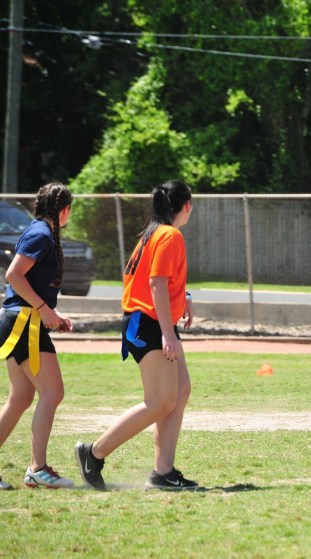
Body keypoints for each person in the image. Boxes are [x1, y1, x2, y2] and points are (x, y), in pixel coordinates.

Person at [75, 179, 198, 490]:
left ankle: (163, 473)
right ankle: (95, 452)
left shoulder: (154, 233)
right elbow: (156, 283)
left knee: (180, 391)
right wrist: (168, 333)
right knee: (160, 400)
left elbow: (157, 280)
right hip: (150, 323)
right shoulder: (170, 235)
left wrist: (184, 299)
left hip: (151, 320)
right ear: (186, 206)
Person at [0, 183, 76, 489]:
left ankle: (37, 467)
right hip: (23, 324)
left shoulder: (41, 232)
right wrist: (44, 308)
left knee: (20, 398)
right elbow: (13, 275)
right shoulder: (41, 234)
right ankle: (37, 467)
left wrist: (53, 315)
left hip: (23, 322)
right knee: (52, 392)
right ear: (64, 210)